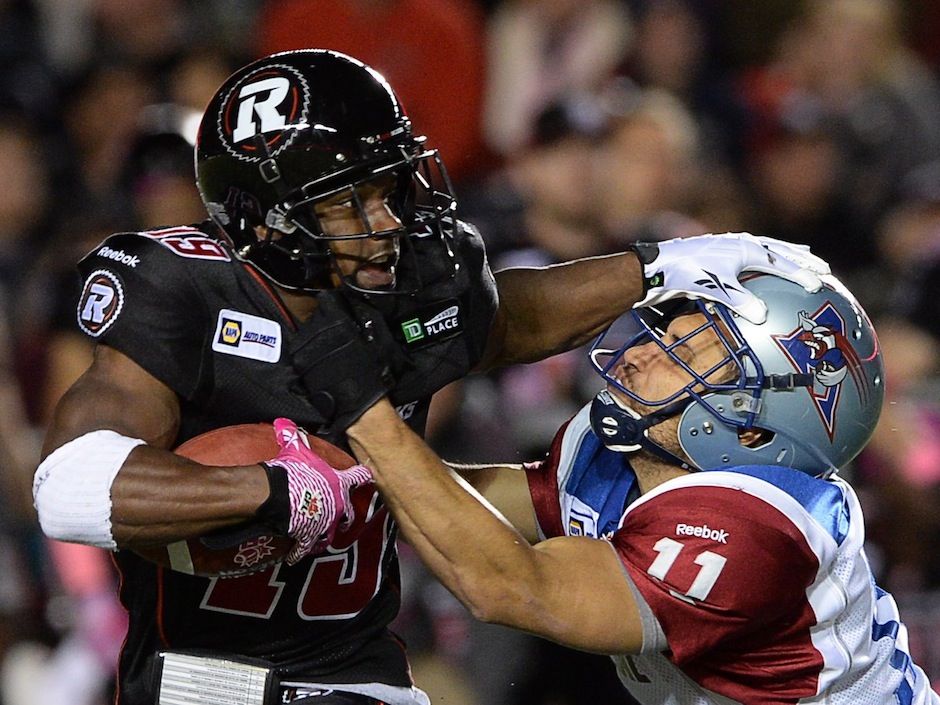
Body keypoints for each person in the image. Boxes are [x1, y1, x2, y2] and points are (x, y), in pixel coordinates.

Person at [33, 49, 828, 705]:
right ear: (266, 216)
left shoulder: (403, 283)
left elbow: (511, 320)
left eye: (390, 187)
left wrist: (664, 265)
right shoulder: (181, 286)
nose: (386, 221)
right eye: (351, 202)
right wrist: (272, 493)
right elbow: (66, 482)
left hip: (364, 666)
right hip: (213, 679)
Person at [321, 267, 940, 703]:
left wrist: (361, 406)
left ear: (753, 432)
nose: (641, 354)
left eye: (689, 355)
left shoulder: (763, 524)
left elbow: (511, 587)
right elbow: (457, 501)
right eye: (666, 336)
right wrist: (317, 478)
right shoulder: (627, 454)